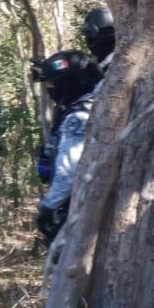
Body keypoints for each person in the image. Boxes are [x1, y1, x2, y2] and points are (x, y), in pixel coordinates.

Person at [33, 50, 96, 245]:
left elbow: (68, 173)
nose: (49, 89)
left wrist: (47, 208)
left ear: (67, 83)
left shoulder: (78, 117)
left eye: (51, 83)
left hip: (76, 212)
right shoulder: (93, 104)